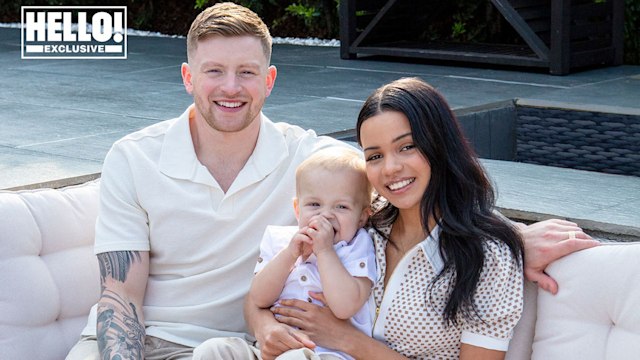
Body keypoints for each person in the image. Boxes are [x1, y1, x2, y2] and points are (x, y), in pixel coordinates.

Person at [66, 2, 599, 359]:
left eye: (247, 72)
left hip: (237, 348)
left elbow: (403, 175)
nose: (231, 88)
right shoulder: (134, 157)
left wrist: (500, 239)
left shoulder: (308, 157)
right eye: (213, 71)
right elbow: (122, 296)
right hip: (136, 342)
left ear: (269, 80)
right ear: (188, 77)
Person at [247, 77, 600, 360]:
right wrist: (268, 329)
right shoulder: (362, 229)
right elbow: (263, 292)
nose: (391, 168)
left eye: (407, 147)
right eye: (374, 155)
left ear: (439, 144)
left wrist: (347, 340)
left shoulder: (486, 256)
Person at [249, 147, 377, 360]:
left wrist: (325, 252)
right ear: (297, 209)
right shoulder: (280, 240)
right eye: (314, 204)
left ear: (362, 217)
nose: (325, 215)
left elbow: (345, 307)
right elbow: (258, 298)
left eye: (341, 207)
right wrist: (290, 254)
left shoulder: (358, 246)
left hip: (328, 355)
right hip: (272, 349)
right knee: (217, 350)